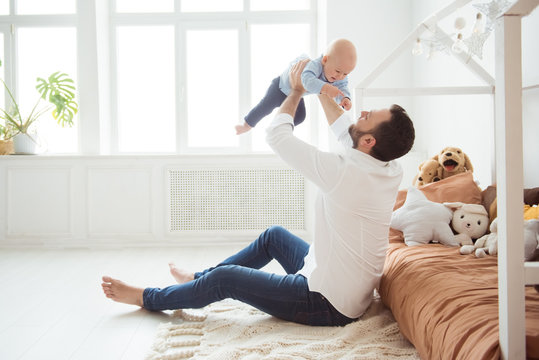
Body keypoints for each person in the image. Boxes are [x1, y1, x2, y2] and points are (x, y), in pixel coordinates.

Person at [102, 59, 415, 326]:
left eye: (369, 116)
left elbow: (277, 134)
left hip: (325, 302)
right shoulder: (388, 167)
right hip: (338, 283)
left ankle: (148, 297)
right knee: (274, 236)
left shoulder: (345, 172)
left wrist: (296, 90)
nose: (361, 113)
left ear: (369, 141)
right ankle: (198, 277)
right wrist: (319, 85)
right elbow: (345, 129)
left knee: (227, 280)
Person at [235, 38, 357, 135]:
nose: (341, 76)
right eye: (338, 71)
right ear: (325, 60)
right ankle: (246, 125)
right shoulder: (314, 65)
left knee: (300, 117)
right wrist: (326, 88)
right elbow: (307, 81)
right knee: (264, 107)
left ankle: (278, 127)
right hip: (280, 88)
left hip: (297, 94)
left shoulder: (338, 76)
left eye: (345, 73)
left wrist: (345, 98)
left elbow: (341, 86)